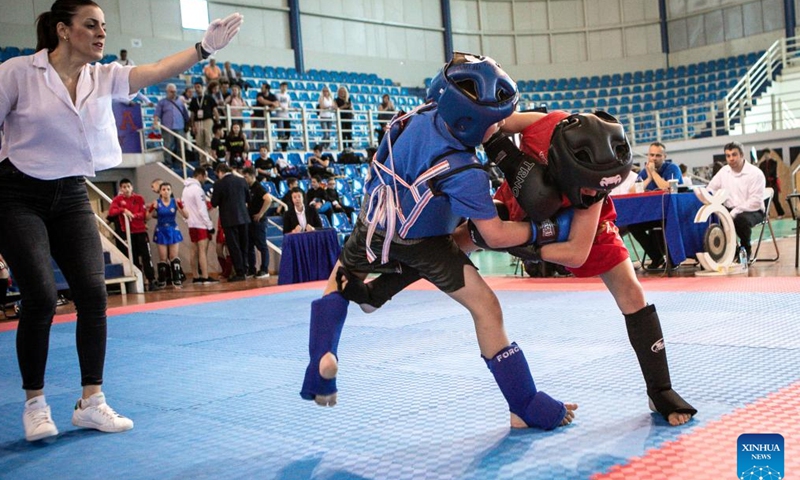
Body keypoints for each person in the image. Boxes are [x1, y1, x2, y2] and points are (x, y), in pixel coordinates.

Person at [0, 0, 242, 441]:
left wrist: (203, 48)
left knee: (93, 295)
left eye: (104, 26)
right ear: (62, 30)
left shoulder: (103, 76)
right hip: (17, 193)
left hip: (72, 191)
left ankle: (91, 401)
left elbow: (155, 70)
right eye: (90, 25)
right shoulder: (17, 72)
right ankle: (35, 404)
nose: (101, 33)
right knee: (39, 294)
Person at [299, 53, 577, 431]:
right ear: (473, 123)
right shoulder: (466, 173)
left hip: (376, 224)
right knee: (486, 307)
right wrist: (544, 231)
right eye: (494, 121)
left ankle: (323, 360)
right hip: (427, 242)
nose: (499, 125)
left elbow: (476, 123)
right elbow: (494, 235)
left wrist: (539, 119)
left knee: (340, 279)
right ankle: (523, 403)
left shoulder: (419, 115)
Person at [458, 108, 695, 426]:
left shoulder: (595, 188)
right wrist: (475, 136)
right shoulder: (545, 125)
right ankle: (399, 265)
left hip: (580, 225)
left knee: (632, 292)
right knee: (457, 243)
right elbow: (493, 121)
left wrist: (528, 244)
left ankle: (660, 390)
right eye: (591, 187)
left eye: (601, 188)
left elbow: (575, 253)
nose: (595, 193)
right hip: (524, 195)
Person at [626, 142, 684, 270]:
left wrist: (654, 173)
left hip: (671, 214)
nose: (654, 158)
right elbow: (632, 191)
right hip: (652, 214)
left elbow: (667, 187)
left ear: (664, 156)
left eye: (658, 155)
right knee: (633, 226)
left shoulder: (672, 168)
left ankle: (673, 258)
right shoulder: (644, 172)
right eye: (651, 155)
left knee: (667, 224)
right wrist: (648, 178)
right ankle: (656, 257)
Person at [707, 142, 767, 261]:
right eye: (728, 156)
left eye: (734, 155)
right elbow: (711, 188)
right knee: (713, 218)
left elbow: (755, 201)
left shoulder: (755, 174)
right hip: (730, 208)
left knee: (740, 220)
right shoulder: (724, 171)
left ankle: (746, 249)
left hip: (753, 210)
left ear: (742, 155)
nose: (731, 159)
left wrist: (734, 212)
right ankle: (729, 250)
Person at [108, 178, 159, 291]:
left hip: (140, 231)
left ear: (132, 187)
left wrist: (134, 216)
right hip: (128, 233)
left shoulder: (138, 198)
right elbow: (112, 212)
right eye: (124, 187)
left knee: (146, 256)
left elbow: (142, 213)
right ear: (121, 188)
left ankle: (151, 280)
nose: (126, 189)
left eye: (128, 186)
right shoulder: (117, 200)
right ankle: (139, 281)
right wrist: (123, 210)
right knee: (133, 258)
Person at [243, 167, 286, 278]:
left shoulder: (258, 187)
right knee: (250, 246)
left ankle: (264, 269)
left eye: (246, 176)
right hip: (250, 220)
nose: (244, 178)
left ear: (252, 176)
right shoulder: (249, 188)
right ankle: (252, 269)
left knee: (261, 245)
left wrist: (261, 213)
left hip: (259, 221)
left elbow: (268, 199)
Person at [211, 163, 251, 281]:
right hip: (243, 217)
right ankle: (246, 268)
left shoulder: (219, 184)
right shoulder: (242, 180)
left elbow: (214, 203)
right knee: (244, 244)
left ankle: (240, 272)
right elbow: (248, 198)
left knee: (234, 246)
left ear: (219, 172)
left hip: (229, 219)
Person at [182, 167, 218, 284]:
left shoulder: (185, 189)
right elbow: (202, 209)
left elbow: (183, 207)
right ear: (201, 175)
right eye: (205, 176)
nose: (206, 179)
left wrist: (187, 220)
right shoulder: (198, 190)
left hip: (191, 224)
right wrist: (210, 225)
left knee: (194, 251)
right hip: (201, 225)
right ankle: (205, 276)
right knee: (202, 251)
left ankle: (196, 276)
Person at [149, 182, 188, 287]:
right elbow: (147, 217)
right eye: (163, 189)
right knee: (163, 257)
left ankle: (177, 278)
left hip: (172, 229)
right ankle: (163, 279)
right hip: (161, 229)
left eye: (168, 189)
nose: (166, 191)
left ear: (171, 191)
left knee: (173, 256)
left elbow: (186, 215)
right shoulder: (157, 202)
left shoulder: (175, 202)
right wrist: (152, 208)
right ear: (160, 192)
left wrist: (181, 206)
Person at [153, 83, 190, 167]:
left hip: (179, 126)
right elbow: (157, 113)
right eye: (171, 92)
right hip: (167, 127)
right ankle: (168, 162)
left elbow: (185, 114)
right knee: (168, 145)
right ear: (167, 92)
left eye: (174, 91)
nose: (173, 93)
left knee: (181, 146)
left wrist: (188, 124)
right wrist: (155, 121)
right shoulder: (162, 102)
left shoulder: (180, 102)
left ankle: (180, 163)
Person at [188, 81, 220, 155]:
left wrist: (218, 122)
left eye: (198, 87)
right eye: (195, 87)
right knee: (199, 143)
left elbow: (215, 110)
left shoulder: (209, 98)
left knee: (208, 141)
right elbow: (192, 114)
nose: (197, 89)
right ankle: (203, 162)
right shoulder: (194, 100)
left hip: (207, 120)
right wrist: (192, 125)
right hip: (197, 122)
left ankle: (210, 161)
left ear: (203, 88)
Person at [758, 150, 784, 218]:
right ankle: (766, 215)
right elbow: (760, 173)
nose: (766, 155)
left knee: (775, 199)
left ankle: (780, 214)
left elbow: (773, 171)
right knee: (765, 200)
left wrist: (769, 176)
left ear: (769, 154)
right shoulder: (762, 164)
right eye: (764, 154)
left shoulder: (774, 162)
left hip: (773, 184)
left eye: (767, 154)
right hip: (765, 184)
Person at [274, 81, 292, 151]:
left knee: (288, 132)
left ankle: (285, 144)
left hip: (286, 116)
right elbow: (276, 103)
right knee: (281, 131)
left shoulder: (288, 96)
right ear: (280, 87)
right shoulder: (277, 95)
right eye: (283, 86)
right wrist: (280, 106)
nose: (284, 88)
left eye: (285, 87)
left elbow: (289, 105)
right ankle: (283, 145)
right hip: (279, 115)